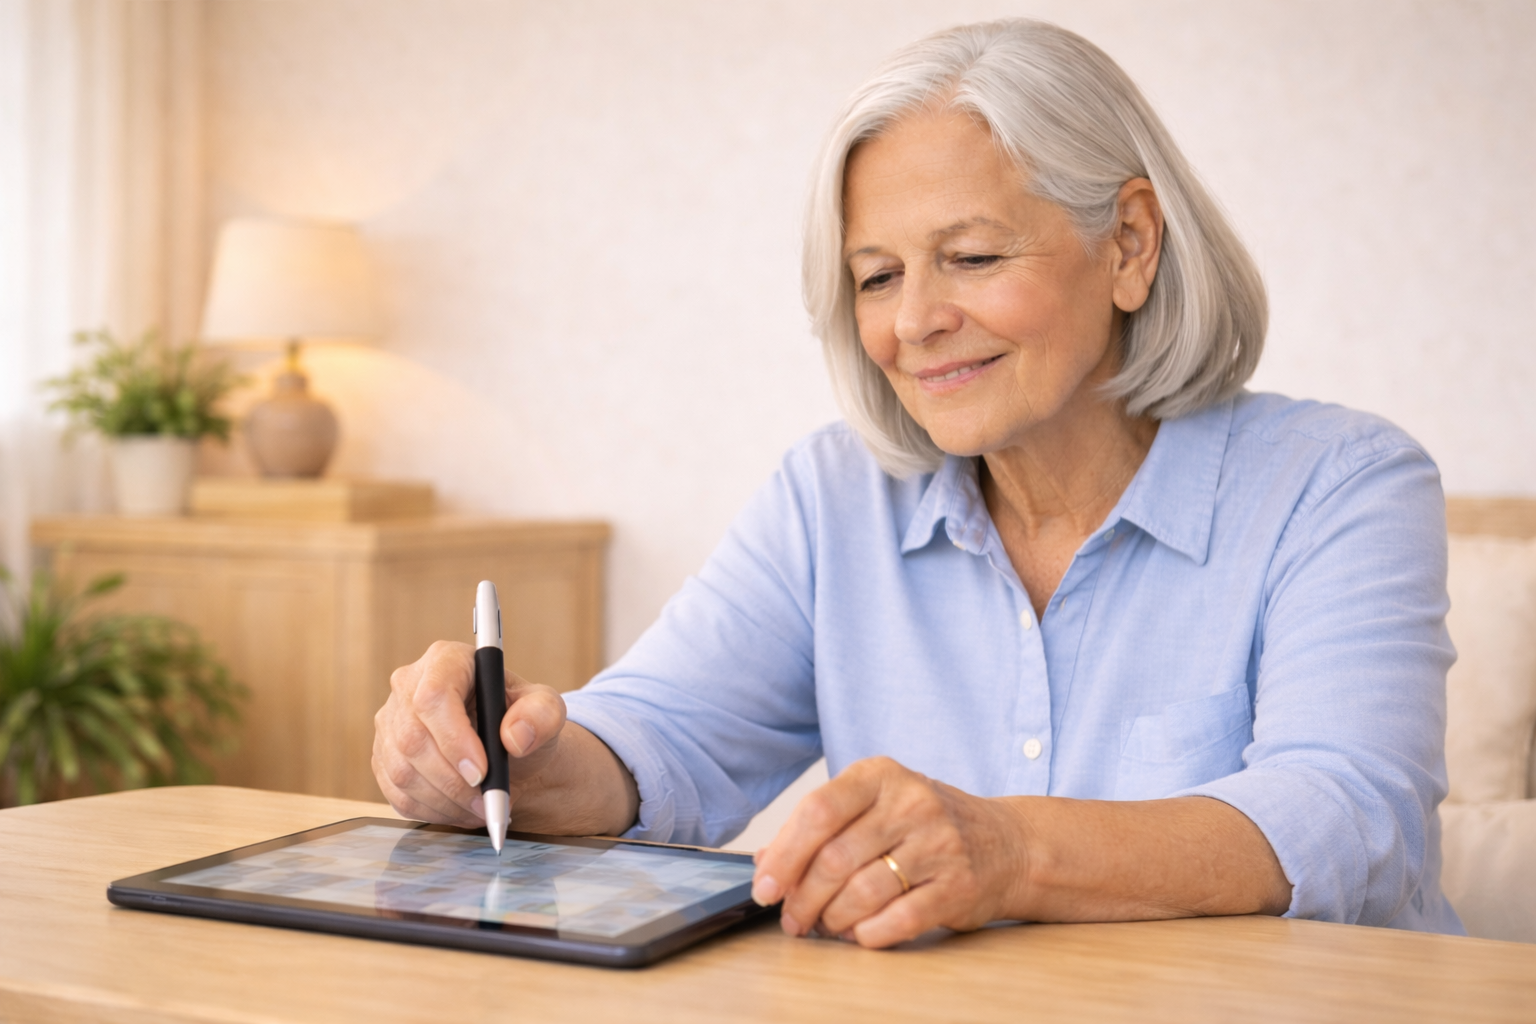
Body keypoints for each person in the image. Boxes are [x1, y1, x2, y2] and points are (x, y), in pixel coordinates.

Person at [372, 19, 1463, 947]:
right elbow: (667, 736)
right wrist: (510, 757)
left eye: (974, 258)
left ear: (1129, 243)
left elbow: (1350, 815)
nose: (914, 322)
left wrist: (1009, 851)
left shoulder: (1342, 484)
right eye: (878, 276)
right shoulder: (833, 494)